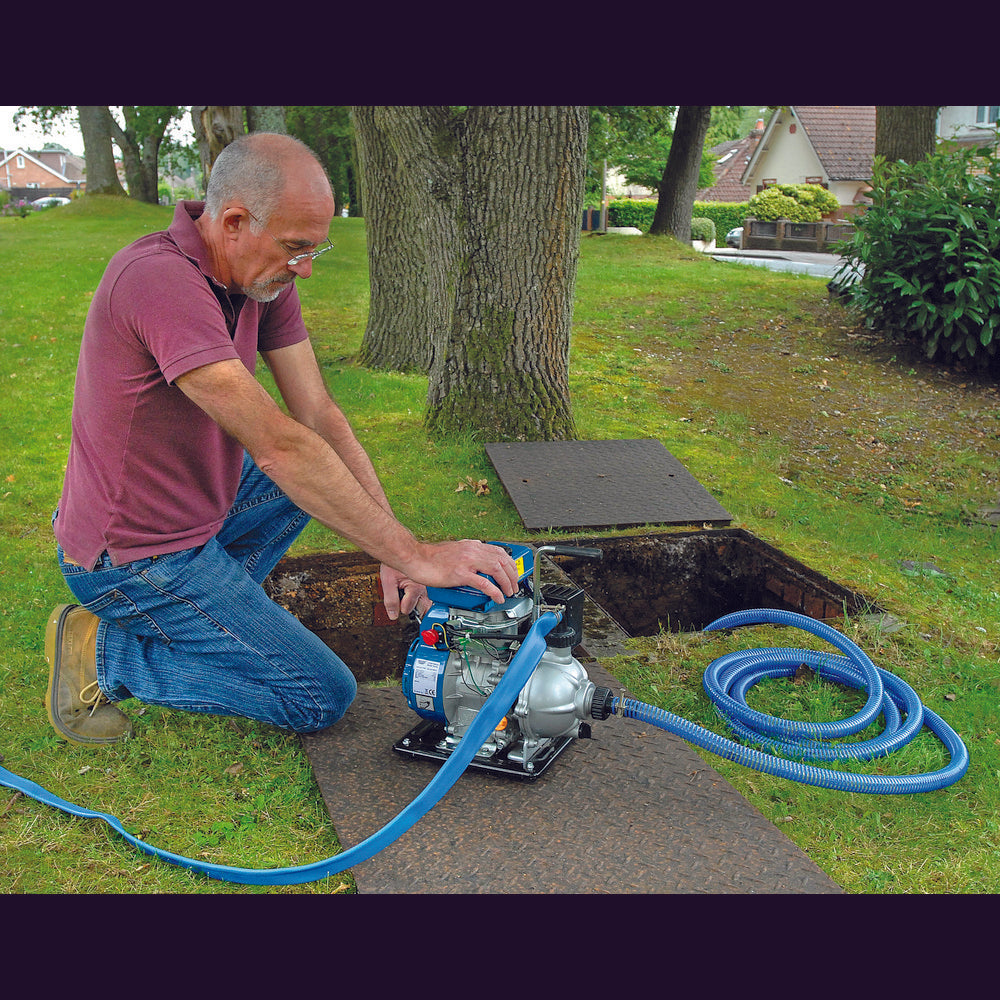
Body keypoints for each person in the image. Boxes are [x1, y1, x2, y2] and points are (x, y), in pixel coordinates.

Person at [46, 132, 519, 746]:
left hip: (197, 514)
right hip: (133, 557)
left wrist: (394, 550)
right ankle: (104, 655)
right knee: (318, 694)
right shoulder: (157, 281)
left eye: (314, 248)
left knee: (316, 480)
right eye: (296, 248)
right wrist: (419, 556)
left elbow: (318, 416)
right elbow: (278, 446)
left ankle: (203, 619)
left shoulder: (258, 280)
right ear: (234, 222)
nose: (306, 268)